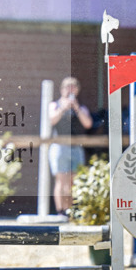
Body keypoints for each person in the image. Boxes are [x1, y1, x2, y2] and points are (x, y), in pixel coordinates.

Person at [48, 76, 92, 215]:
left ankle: (71, 211)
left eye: (73, 87)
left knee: (74, 181)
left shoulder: (81, 107)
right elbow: (52, 120)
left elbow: (88, 124)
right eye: (67, 87)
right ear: (62, 90)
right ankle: (61, 211)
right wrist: (64, 107)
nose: (70, 90)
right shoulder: (54, 105)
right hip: (60, 147)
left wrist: (76, 107)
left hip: (76, 147)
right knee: (61, 180)